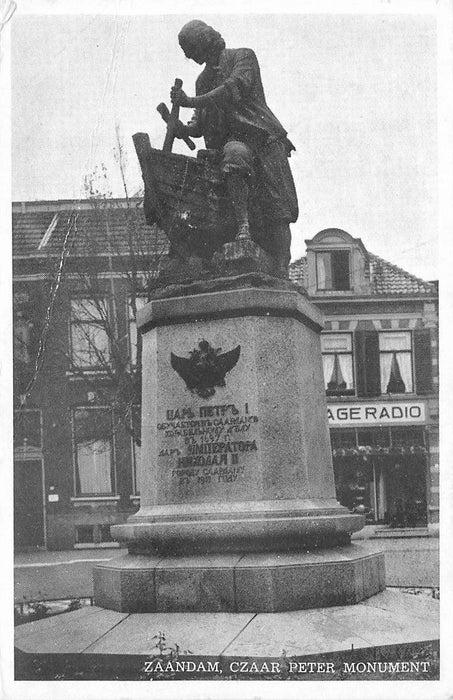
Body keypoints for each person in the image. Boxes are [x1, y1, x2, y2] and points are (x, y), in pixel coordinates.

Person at [170, 19, 299, 278]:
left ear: (204, 40)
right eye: (187, 52)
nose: (190, 56)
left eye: (191, 48)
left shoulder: (243, 57)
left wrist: (190, 101)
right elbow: (200, 123)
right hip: (234, 142)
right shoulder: (203, 80)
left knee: (278, 209)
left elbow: (233, 89)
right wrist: (181, 128)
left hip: (264, 139)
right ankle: (243, 228)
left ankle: (282, 265)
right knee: (234, 155)